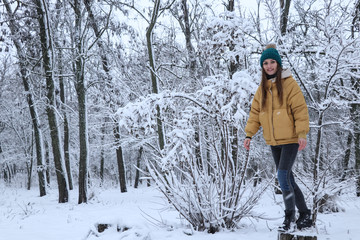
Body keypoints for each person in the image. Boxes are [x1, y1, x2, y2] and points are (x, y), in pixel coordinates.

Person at [243, 44, 312, 231]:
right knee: (288, 178)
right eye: (265, 63)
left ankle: (290, 217)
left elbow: (300, 110)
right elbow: (255, 113)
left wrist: (302, 133)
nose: (269, 66)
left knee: (282, 176)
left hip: (290, 139)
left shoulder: (289, 83)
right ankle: (305, 214)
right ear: (262, 66)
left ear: (278, 63)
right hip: (274, 141)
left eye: (272, 62)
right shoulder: (262, 89)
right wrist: (249, 134)